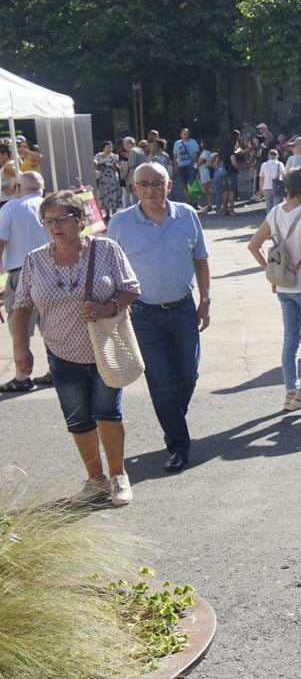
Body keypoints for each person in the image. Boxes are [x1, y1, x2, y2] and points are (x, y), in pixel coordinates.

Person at [10, 192, 140, 505]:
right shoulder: (34, 260)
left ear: (80, 220)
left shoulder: (105, 248)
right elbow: (22, 307)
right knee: (78, 419)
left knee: (108, 413)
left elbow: (131, 289)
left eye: (62, 219)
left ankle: (118, 476)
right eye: (48, 221)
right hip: (61, 353)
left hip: (105, 348)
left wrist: (107, 307)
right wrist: (21, 349)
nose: (55, 226)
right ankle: (95, 481)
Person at [107, 162, 212, 473]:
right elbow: (109, 270)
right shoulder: (121, 223)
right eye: (144, 184)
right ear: (134, 188)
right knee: (161, 383)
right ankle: (179, 445)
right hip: (143, 314)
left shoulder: (187, 215)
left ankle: (172, 421)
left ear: (169, 186)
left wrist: (205, 300)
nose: (151, 189)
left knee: (189, 376)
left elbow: (201, 260)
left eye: (157, 183)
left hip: (182, 308)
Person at [246, 167, 301, 415]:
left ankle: (290, 393)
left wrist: (271, 272)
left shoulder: (275, 212)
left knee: (291, 339)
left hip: (285, 285)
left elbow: (254, 246)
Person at [0, 171, 51, 391]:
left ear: (19, 187)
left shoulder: (11, 208)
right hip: (53, 272)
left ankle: (22, 376)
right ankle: (56, 370)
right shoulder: (53, 206)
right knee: (52, 326)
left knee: (20, 328)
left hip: (21, 274)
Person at [93, 141, 122, 219]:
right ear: (104, 148)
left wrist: (115, 164)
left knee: (113, 193)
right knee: (104, 193)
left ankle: (114, 213)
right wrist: (98, 167)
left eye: (111, 147)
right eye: (108, 147)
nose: (110, 149)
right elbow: (95, 165)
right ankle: (107, 214)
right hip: (103, 176)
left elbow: (118, 168)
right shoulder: (98, 155)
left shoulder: (115, 156)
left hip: (112, 176)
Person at [173, 128, 200, 207]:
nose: (186, 136)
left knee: (192, 183)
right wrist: (175, 165)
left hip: (190, 165)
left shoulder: (193, 142)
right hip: (181, 166)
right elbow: (175, 154)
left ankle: (195, 202)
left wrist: (193, 163)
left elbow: (196, 153)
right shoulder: (177, 143)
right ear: (181, 135)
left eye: (187, 134)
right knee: (184, 184)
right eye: (184, 134)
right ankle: (189, 201)